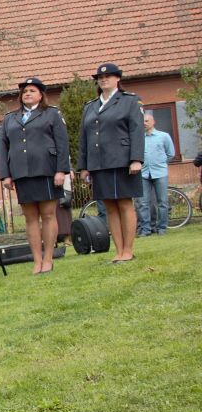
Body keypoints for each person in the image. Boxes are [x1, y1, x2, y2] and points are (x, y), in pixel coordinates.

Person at [0, 77, 71, 274]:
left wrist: (61, 170)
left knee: (48, 215)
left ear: (41, 95)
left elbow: (62, 143)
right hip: (21, 173)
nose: (27, 94)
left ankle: (48, 258)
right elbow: (4, 147)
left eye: (32, 90)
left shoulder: (52, 114)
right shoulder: (10, 118)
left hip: (46, 170)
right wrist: (6, 175)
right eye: (24, 91)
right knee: (30, 218)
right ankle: (37, 260)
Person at [77, 62, 145, 263]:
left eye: (108, 76)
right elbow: (84, 138)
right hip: (99, 163)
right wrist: (84, 166)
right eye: (100, 77)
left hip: (123, 160)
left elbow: (137, 131)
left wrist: (136, 159)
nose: (103, 79)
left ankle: (128, 250)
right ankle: (119, 251)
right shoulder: (90, 106)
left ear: (118, 78)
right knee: (109, 207)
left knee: (124, 203)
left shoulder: (130, 101)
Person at [133, 111, 176, 236]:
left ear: (153, 122)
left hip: (160, 173)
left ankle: (162, 228)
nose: (144, 123)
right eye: (143, 121)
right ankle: (145, 229)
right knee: (143, 203)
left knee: (162, 202)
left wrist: (160, 163)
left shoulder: (164, 136)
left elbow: (171, 154)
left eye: (147, 121)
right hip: (143, 173)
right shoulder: (138, 138)